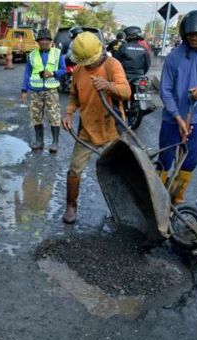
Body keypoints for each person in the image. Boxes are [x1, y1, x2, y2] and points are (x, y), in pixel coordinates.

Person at [61, 32, 131, 224]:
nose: (88, 66)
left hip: (112, 129)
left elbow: (126, 92)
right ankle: (71, 205)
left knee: (120, 172)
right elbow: (74, 95)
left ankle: (122, 209)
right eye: (85, 62)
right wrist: (68, 113)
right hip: (87, 129)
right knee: (74, 170)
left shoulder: (112, 65)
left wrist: (109, 86)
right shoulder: (78, 70)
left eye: (91, 61)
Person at [158, 10, 197, 204]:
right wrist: (177, 117)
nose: (194, 37)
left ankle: (176, 198)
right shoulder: (173, 57)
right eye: (191, 34)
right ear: (185, 35)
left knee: (189, 161)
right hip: (172, 119)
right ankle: (158, 198)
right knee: (165, 160)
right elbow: (165, 91)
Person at [21, 29, 66, 152]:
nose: (44, 42)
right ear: (38, 42)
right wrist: (24, 90)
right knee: (35, 116)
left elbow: (63, 70)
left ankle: (55, 142)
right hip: (35, 91)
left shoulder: (57, 53)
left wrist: (53, 73)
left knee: (54, 116)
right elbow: (27, 73)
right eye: (42, 39)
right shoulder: (32, 55)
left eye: (47, 39)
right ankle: (39, 141)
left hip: (51, 90)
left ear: (51, 41)